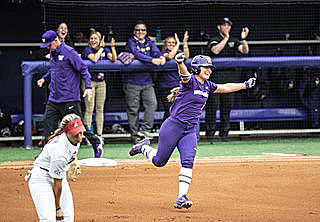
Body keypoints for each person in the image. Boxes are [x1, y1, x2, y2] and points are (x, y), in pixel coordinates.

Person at [129, 52, 256, 209]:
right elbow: (184, 74)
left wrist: (245, 84)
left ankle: (181, 197)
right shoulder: (190, 82)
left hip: (189, 130)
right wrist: (180, 62)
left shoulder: (208, 86)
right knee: (159, 162)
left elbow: (226, 87)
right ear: (196, 68)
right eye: (206, 67)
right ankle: (144, 147)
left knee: (188, 161)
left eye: (211, 68)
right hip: (172, 127)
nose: (209, 70)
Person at [37, 30, 104, 158]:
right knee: (47, 123)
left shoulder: (69, 52)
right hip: (54, 98)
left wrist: (88, 87)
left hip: (69, 98)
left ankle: (96, 142)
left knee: (78, 127)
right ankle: (47, 155)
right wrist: (44, 78)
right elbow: (54, 69)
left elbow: (83, 68)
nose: (48, 48)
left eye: (49, 45)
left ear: (56, 41)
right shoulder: (53, 52)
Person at [27, 114, 85, 221]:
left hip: (56, 174)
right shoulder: (60, 153)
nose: (80, 137)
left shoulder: (72, 138)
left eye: (81, 132)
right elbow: (57, 183)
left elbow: (72, 151)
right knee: (48, 219)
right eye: (76, 134)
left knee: (68, 217)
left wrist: (73, 162)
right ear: (67, 132)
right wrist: (57, 208)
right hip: (41, 178)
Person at [205, 17, 250, 141]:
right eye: (224, 25)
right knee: (212, 108)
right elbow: (215, 51)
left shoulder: (234, 41)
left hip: (230, 80)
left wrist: (244, 39)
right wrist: (225, 38)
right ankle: (210, 134)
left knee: (227, 107)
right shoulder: (214, 39)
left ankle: (224, 134)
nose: (226, 27)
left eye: (228, 25)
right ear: (219, 27)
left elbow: (245, 51)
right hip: (214, 80)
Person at [123, 21, 166, 144]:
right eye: (138, 30)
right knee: (133, 109)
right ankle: (135, 135)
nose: (140, 32)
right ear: (134, 32)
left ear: (146, 32)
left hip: (147, 81)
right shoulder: (131, 42)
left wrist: (161, 57)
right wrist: (152, 60)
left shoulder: (149, 42)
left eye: (143, 30)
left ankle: (145, 131)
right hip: (131, 82)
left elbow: (156, 52)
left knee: (152, 104)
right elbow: (137, 55)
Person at [81, 31, 117, 140]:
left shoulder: (104, 50)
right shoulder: (87, 50)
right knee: (89, 109)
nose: (93, 41)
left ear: (100, 40)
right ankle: (88, 136)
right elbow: (95, 59)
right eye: (91, 38)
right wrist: (101, 48)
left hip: (101, 82)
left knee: (100, 109)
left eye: (95, 38)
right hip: (89, 82)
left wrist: (112, 47)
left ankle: (99, 135)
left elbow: (114, 58)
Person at [157, 32, 190, 124]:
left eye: (173, 43)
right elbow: (170, 56)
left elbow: (186, 56)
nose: (171, 45)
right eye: (169, 43)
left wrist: (185, 42)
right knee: (170, 110)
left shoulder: (178, 53)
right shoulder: (162, 53)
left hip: (176, 87)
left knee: (177, 110)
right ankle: (163, 130)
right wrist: (178, 44)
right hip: (165, 87)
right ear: (165, 44)